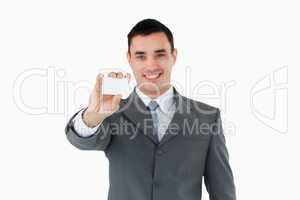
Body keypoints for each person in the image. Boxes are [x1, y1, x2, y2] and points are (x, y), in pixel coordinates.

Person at [65, 18, 236, 200]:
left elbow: (222, 190)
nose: (151, 65)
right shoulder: (113, 112)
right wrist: (93, 116)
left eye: (160, 54)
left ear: (174, 56)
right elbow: (82, 141)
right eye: (141, 56)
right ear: (129, 59)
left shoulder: (207, 117)